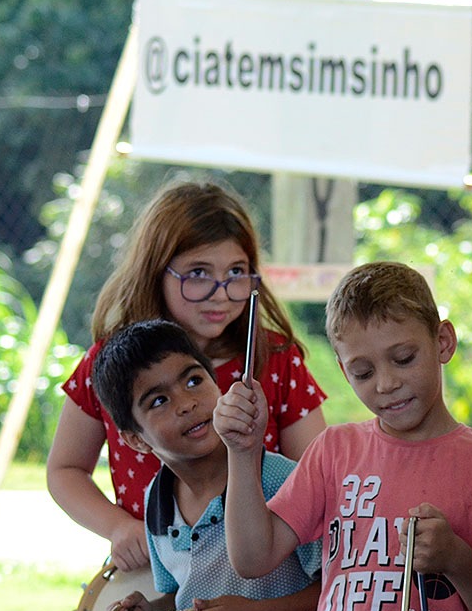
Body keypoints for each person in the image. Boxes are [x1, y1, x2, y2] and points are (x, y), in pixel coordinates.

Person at [213, 261, 472, 611]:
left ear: (443, 341)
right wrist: (243, 452)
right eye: (363, 372)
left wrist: (456, 559)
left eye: (404, 358)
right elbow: (253, 558)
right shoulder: (333, 451)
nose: (386, 384)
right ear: (345, 373)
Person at [47, 179, 328, 571]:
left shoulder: (275, 358)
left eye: (236, 272)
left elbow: (317, 481)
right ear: (155, 271)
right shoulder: (107, 364)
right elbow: (65, 469)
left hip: (264, 578)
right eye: (198, 273)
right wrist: (119, 528)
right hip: (153, 571)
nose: (220, 292)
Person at [91, 318, 320, 611]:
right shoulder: (157, 501)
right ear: (135, 440)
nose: (187, 404)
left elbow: (337, 588)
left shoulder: (282, 481)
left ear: (218, 383)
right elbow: (183, 594)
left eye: (194, 381)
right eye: (159, 401)